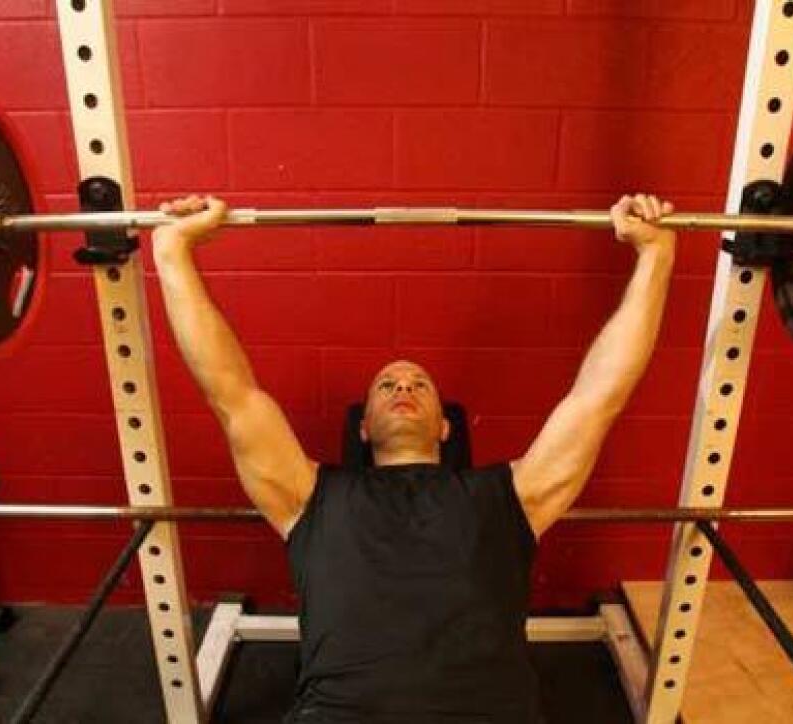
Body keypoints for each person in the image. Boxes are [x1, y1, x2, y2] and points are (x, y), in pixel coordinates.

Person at [153, 194, 676, 723]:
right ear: (362, 426)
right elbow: (231, 391)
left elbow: (598, 396)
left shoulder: (510, 495)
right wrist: (174, 252)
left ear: (446, 426)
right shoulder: (309, 495)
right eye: (387, 384)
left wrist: (655, 256)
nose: (404, 385)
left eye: (418, 383)